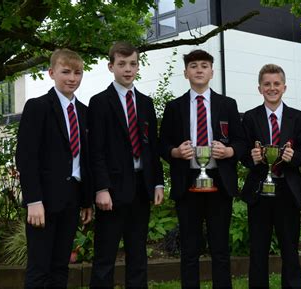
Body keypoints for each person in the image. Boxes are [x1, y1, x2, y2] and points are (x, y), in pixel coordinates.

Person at [159, 49, 246, 289]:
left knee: (220, 248)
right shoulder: (174, 107)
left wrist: (229, 151)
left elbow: (240, 141)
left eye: (204, 65)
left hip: (220, 183)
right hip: (187, 184)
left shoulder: (227, 104)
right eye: (194, 66)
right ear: (186, 72)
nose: (199, 69)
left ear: (212, 71)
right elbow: (163, 144)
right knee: (189, 249)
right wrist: (175, 152)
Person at [88, 41, 164, 288]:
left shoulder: (145, 103)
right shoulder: (99, 103)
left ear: (138, 67)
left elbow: (152, 146)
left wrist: (158, 182)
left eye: (132, 64)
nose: (128, 69)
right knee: (105, 256)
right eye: (122, 64)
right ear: (111, 66)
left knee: (138, 254)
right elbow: (95, 150)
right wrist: (101, 188)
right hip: (111, 190)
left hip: (141, 187)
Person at [16, 48, 93, 288]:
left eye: (78, 72)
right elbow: (26, 157)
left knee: (61, 266)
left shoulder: (84, 112)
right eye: (66, 72)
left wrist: (86, 200)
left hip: (71, 200)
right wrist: (34, 200)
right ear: (51, 73)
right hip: (43, 202)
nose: (72, 78)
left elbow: (85, 160)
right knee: (40, 268)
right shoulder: (37, 107)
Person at [241, 64, 301, 289]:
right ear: (259, 88)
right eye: (267, 84)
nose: (272, 88)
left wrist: (294, 156)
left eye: (276, 84)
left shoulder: (298, 118)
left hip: (287, 191)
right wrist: (252, 157)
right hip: (259, 191)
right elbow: (242, 153)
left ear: (284, 87)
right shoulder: (249, 118)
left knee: (290, 249)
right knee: (258, 250)